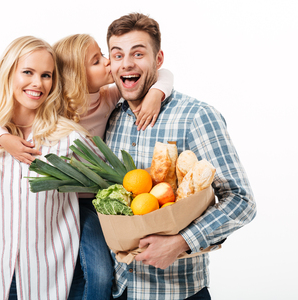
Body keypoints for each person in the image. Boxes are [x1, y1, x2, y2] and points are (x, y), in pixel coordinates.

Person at [0, 33, 174, 300]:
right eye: (97, 60)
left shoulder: (102, 100)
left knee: (99, 272)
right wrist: (2, 136)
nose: (107, 63)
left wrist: (156, 94)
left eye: (46, 75)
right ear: (76, 76)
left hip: (86, 200)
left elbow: (163, 73)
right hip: (37, 202)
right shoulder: (55, 105)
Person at [103, 13, 257, 299]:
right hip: (119, 289)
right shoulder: (110, 116)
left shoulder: (196, 116)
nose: (127, 63)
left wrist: (181, 241)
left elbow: (241, 200)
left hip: (176, 292)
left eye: (138, 53)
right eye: (118, 55)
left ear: (159, 59)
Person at [0, 35, 102, 300]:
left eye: (46, 75)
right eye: (28, 72)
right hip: (5, 281)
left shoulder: (69, 138)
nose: (38, 83)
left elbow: (107, 185)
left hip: (57, 283)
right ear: (8, 72)